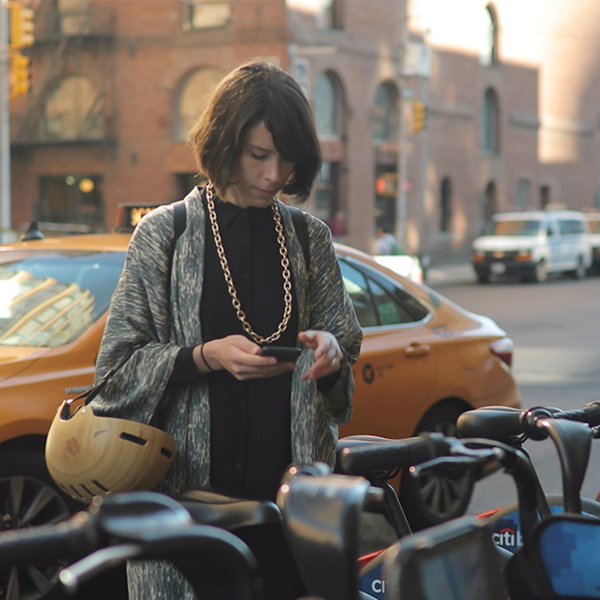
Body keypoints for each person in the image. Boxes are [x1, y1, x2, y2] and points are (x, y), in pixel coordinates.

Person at [90, 59, 362, 600]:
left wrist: (330, 356)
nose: (273, 176)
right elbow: (114, 377)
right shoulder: (165, 233)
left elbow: (342, 384)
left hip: (293, 519)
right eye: (259, 156)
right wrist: (204, 356)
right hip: (185, 517)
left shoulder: (310, 240)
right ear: (223, 143)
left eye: (287, 160)